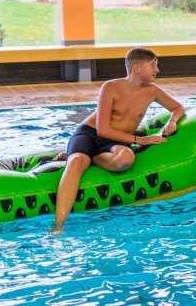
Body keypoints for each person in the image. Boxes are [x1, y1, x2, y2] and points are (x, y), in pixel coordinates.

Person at [52, 47, 185, 233]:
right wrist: (142, 140)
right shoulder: (111, 87)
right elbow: (103, 129)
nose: (157, 70)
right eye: (153, 65)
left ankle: (91, 157)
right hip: (91, 134)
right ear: (137, 68)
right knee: (76, 162)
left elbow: (178, 107)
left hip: (115, 143)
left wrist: (172, 122)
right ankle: (58, 226)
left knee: (126, 159)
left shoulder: (152, 91)